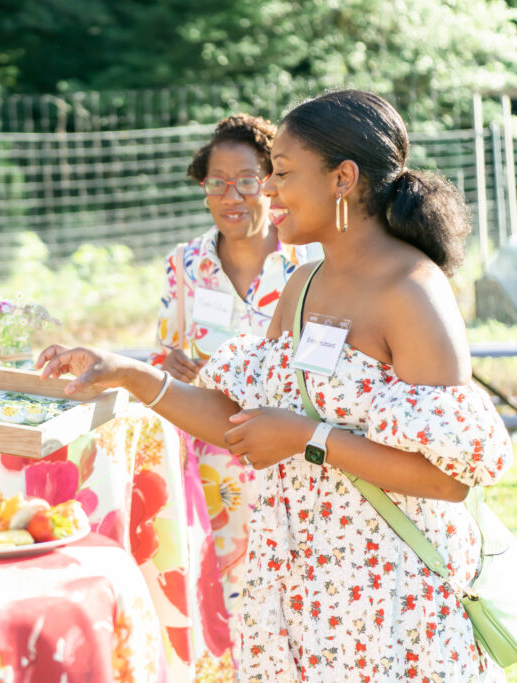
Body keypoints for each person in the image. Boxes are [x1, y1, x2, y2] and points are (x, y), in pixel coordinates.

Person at [39, 90, 511, 681]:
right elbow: (236, 417)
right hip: (303, 589)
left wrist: (310, 439)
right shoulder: (304, 284)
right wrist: (128, 372)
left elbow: (448, 479)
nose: (266, 191)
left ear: (343, 178)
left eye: (281, 174)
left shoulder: (412, 291)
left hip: (391, 598)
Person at [149, 114, 308, 669]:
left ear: (270, 180)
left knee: (291, 594)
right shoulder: (185, 264)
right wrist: (169, 363)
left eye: (246, 179)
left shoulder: (304, 261)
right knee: (222, 593)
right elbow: (165, 353)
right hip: (211, 462)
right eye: (216, 182)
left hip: (288, 457)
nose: (230, 195)